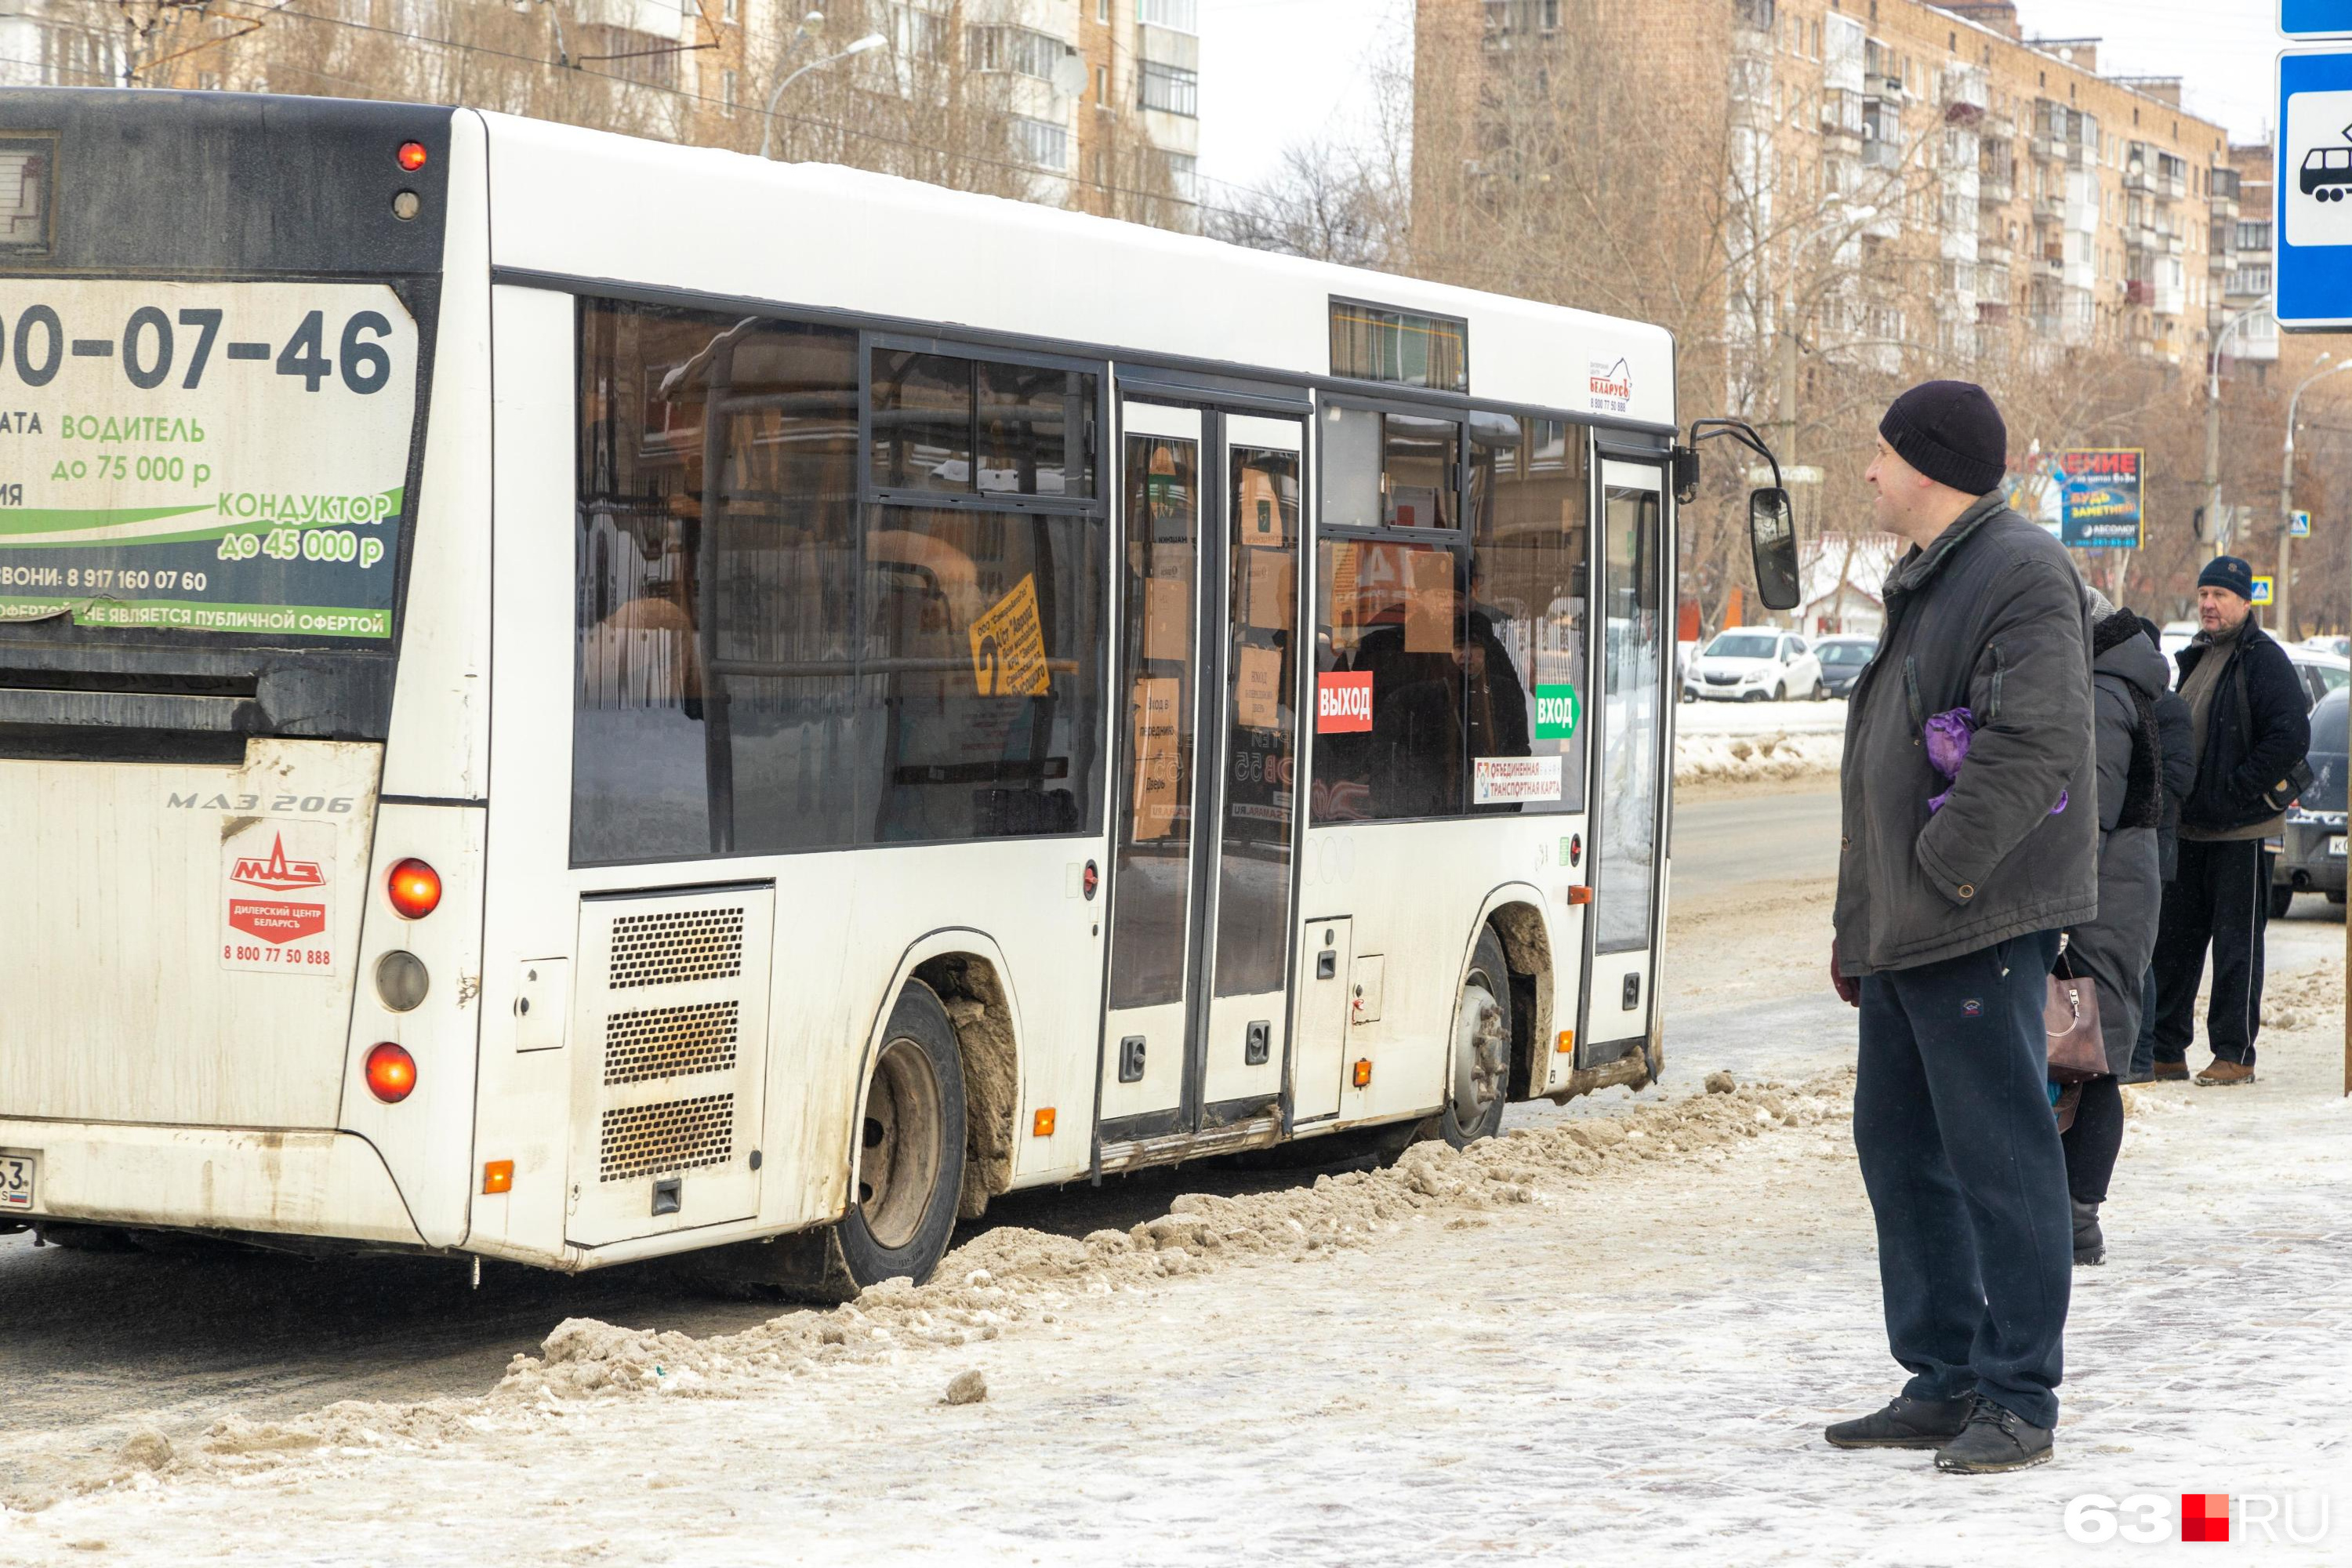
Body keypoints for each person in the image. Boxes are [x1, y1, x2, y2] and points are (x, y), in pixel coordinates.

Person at [1821, 380, 2095, 1475]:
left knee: (2002, 1157)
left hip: (1974, 919)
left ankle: (2019, 1393)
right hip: (1909, 930)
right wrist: (1863, 922)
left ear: (1929, 465)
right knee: (1900, 1150)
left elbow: (2035, 745)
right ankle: (1943, 1375)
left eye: (1883, 454)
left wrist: (1941, 873)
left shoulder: (2020, 569)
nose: (1872, 472)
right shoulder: (1934, 573)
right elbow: (1881, 768)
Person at [2149, 557, 2312, 1087]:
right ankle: (2165, 1050)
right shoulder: (2197, 654)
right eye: (2203, 595)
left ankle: (2235, 1053)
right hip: (2192, 828)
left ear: (2246, 602)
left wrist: (2238, 792)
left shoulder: (2262, 658)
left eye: (2219, 594)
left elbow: (2289, 736)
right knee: (2174, 944)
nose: (2208, 605)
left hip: (2242, 832)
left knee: (2236, 946)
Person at [2058, 606, 2169, 1266]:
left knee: (2087, 1059)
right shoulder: (2117, 680)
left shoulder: (2100, 691)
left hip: (2099, 898)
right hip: (2118, 892)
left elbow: (2085, 819)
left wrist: (2059, 915)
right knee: (2087, 1055)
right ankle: (2074, 1219)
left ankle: (2074, 1221)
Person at [2129, 613, 2198, 1085]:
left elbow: (2177, 779)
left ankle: (2145, 1055)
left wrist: (2128, 794)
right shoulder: (2124, 699)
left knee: (2142, 954)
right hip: (2132, 843)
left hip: (2152, 845)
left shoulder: (2168, 710)